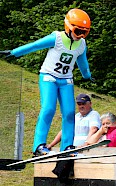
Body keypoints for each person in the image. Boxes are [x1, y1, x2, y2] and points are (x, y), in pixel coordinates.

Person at [0, 8, 94, 155]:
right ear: (68, 27)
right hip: (48, 77)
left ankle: (67, 146)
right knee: (49, 108)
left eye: (85, 33)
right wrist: (14, 52)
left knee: (69, 113)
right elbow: (35, 45)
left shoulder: (81, 44)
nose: (80, 36)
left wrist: (87, 76)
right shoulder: (56, 38)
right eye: (78, 31)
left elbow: (83, 63)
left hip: (66, 80)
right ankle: (38, 145)